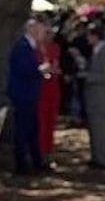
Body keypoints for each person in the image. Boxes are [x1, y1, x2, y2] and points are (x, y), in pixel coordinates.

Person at [6, 19, 46, 175]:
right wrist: (40, 70)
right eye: (41, 30)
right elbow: (24, 69)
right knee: (22, 129)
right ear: (32, 30)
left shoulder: (31, 47)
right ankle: (21, 164)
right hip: (22, 94)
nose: (43, 34)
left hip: (29, 94)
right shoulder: (22, 47)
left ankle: (35, 161)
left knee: (32, 128)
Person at [83, 23, 105, 169]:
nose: (87, 39)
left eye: (89, 35)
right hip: (94, 98)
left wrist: (88, 76)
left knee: (102, 131)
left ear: (95, 36)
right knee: (95, 130)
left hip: (102, 99)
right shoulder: (96, 52)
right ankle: (97, 157)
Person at [36, 24, 63, 162]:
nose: (48, 36)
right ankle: (39, 153)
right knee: (40, 122)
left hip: (52, 87)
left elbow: (56, 66)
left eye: (50, 33)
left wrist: (53, 70)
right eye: (46, 33)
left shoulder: (54, 47)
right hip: (40, 89)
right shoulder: (35, 48)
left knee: (50, 122)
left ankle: (47, 152)